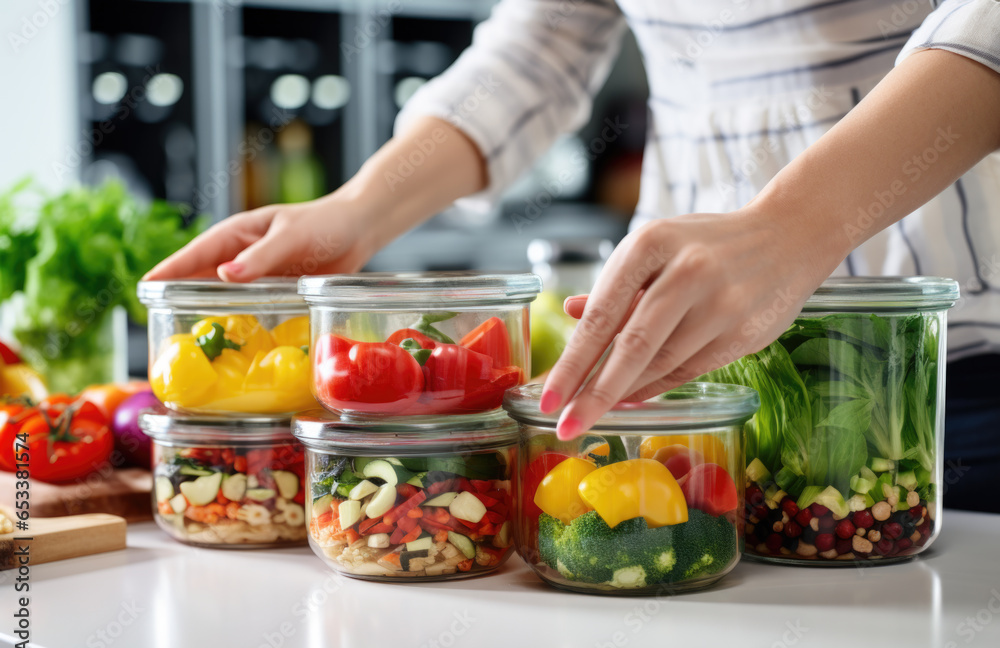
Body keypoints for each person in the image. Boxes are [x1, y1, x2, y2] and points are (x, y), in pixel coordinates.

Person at [147, 0, 1000, 509]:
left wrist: (795, 224)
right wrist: (359, 209)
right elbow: (536, 48)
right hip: (696, 369)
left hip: (954, 363)